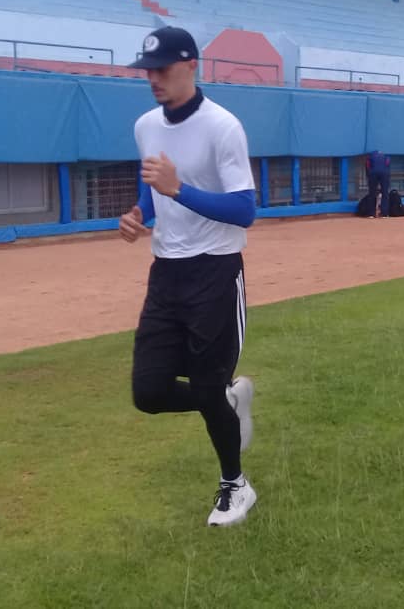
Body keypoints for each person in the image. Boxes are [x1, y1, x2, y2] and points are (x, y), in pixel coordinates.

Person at [118, 26, 258, 527]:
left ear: (191, 65)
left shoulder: (224, 127)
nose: (152, 79)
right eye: (147, 70)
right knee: (149, 393)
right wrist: (139, 211)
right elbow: (153, 179)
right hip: (167, 273)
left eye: (162, 69)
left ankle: (235, 486)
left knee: (203, 384)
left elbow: (245, 209)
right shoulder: (145, 125)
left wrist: (178, 191)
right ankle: (224, 399)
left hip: (216, 272)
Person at [366, 150, 391, 217]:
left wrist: (368, 175)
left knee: (372, 193)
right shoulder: (386, 156)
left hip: (373, 173)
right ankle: (384, 213)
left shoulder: (370, 156)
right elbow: (388, 164)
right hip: (384, 173)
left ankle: (372, 213)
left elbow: (367, 166)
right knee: (385, 193)